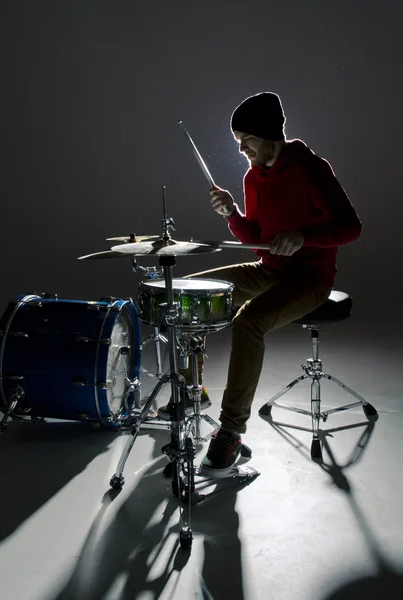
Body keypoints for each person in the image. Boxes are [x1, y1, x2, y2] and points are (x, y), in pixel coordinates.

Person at [158, 92, 362, 477]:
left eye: (246, 140)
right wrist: (231, 213)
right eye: (238, 141)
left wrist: (304, 237)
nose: (241, 149)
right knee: (189, 295)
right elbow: (256, 236)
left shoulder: (312, 168)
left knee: (248, 321)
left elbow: (351, 227)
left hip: (309, 278)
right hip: (268, 269)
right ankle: (191, 393)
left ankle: (231, 431)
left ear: (270, 135)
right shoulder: (253, 176)